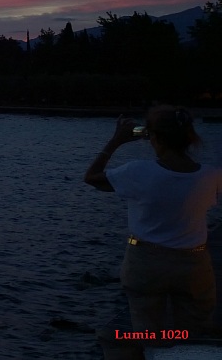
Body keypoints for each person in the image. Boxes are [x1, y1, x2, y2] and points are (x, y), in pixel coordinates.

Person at [84, 105, 222, 342]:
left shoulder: (137, 171)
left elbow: (92, 178)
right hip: (194, 263)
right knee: (193, 333)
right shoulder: (211, 176)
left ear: (153, 137)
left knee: (149, 333)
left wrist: (115, 141)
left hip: (146, 262)